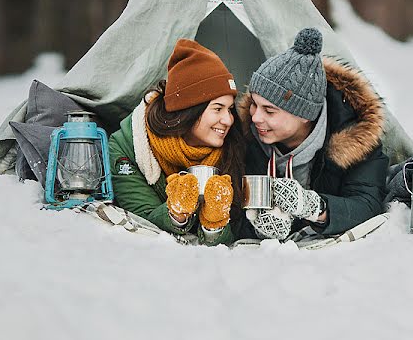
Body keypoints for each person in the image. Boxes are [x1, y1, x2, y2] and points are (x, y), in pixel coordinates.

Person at [237, 27, 389, 240]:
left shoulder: (355, 138)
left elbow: (367, 204)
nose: (255, 117)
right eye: (254, 104)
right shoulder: (244, 138)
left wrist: (313, 207)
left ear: (304, 115)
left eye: (269, 110)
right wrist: (254, 225)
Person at [108, 39, 244, 245]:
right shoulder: (131, 144)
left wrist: (214, 224)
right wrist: (176, 213)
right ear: (189, 110)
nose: (228, 120)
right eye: (218, 109)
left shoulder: (234, 144)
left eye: (230, 109)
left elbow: (238, 236)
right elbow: (141, 223)